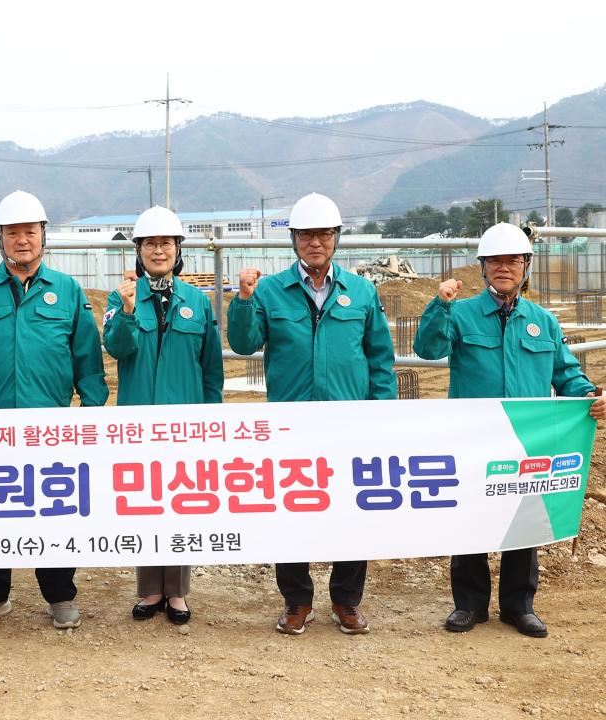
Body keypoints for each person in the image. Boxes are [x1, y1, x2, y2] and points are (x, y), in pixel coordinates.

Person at [414, 221, 605, 638]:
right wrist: (439, 305)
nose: (504, 267)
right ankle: (469, 604)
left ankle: (519, 606)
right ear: (483, 267)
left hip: (525, 438)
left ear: (525, 266)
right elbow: (427, 349)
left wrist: (590, 395)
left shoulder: (543, 321)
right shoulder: (460, 313)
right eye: (495, 261)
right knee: (471, 516)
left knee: (523, 519)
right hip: (473, 437)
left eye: (513, 261)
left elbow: (565, 373)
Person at [227, 192, 396, 636]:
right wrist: (243, 300)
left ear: (336, 238)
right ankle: (297, 601)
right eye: (306, 235)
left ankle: (346, 601)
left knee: (351, 509)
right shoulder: (269, 290)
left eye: (323, 234)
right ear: (294, 240)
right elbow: (244, 343)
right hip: (291, 424)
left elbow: (379, 358)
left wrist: (382, 413)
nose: (315, 242)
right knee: (291, 510)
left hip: (348, 422)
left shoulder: (361, 291)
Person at [0, 190, 108, 630]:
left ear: (42, 235)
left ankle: (60, 594)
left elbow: (87, 359)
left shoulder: (67, 290)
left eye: (29, 232)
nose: (22, 240)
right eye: (12, 233)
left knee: (55, 510)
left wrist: (91, 413)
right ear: (0, 238)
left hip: (50, 427)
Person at [103, 206, 223, 625]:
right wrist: (128, 312)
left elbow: (211, 368)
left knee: (180, 504)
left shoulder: (197, 301)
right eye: (150, 244)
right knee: (146, 502)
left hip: (185, 423)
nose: (159, 250)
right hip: (137, 422)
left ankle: (177, 592)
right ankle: (151, 589)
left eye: (166, 243)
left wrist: (213, 420)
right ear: (138, 250)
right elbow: (117, 348)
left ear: (178, 250)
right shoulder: (122, 297)